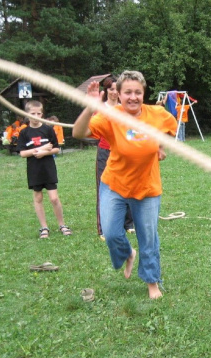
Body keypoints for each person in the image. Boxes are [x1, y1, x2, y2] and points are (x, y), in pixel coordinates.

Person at [73, 70, 177, 299]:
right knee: (110, 233)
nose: (133, 97)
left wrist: (160, 145)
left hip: (147, 187)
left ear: (143, 94)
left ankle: (152, 282)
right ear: (118, 94)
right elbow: (78, 132)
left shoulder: (156, 114)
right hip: (114, 185)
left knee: (148, 236)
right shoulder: (110, 117)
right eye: (127, 92)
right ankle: (128, 253)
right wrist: (90, 107)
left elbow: (171, 127)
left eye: (138, 92)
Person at [17, 100, 72, 239]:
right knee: (38, 197)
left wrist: (45, 152)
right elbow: (23, 153)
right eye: (32, 113)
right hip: (34, 170)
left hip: (48, 168)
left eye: (38, 113)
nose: (36, 116)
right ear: (27, 114)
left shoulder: (48, 129)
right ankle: (44, 227)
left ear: (42, 114)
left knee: (54, 198)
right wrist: (40, 149)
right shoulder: (24, 132)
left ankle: (62, 225)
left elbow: (56, 149)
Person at [95, 76, 135, 240]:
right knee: (105, 188)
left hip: (123, 151)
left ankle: (129, 224)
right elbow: (94, 128)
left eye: (116, 89)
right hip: (105, 151)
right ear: (106, 91)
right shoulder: (100, 108)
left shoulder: (125, 108)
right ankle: (104, 227)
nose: (113, 92)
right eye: (110, 89)